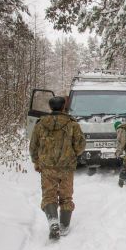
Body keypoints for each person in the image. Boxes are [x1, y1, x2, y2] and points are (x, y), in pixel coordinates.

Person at [29, 96, 86, 240]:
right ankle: (64, 226)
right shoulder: (72, 124)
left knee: (49, 196)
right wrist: (73, 155)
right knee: (66, 197)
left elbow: (33, 146)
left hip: (47, 167)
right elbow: (80, 145)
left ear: (50, 107)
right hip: (66, 167)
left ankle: (53, 222)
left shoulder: (40, 124)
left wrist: (36, 161)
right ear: (63, 107)